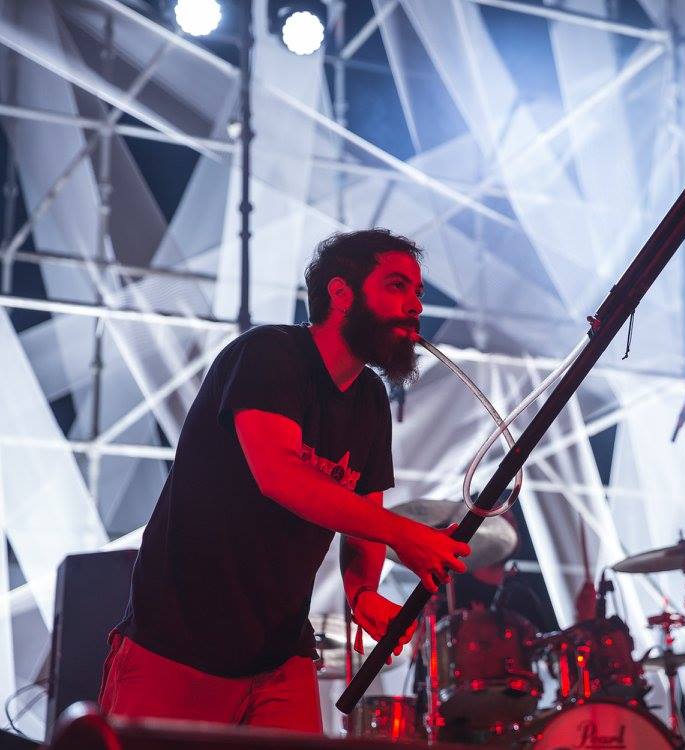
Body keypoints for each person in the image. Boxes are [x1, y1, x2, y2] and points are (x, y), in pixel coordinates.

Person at [99, 229, 469, 733]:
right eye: (397, 286)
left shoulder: (369, 399)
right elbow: (280, 475)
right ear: (341, 294)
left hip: (279, 654)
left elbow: (366, 514)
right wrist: (406, 535)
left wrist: (362, 591)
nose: (416, 306)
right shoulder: (270, 355)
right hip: (177, 644)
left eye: (418, 292)